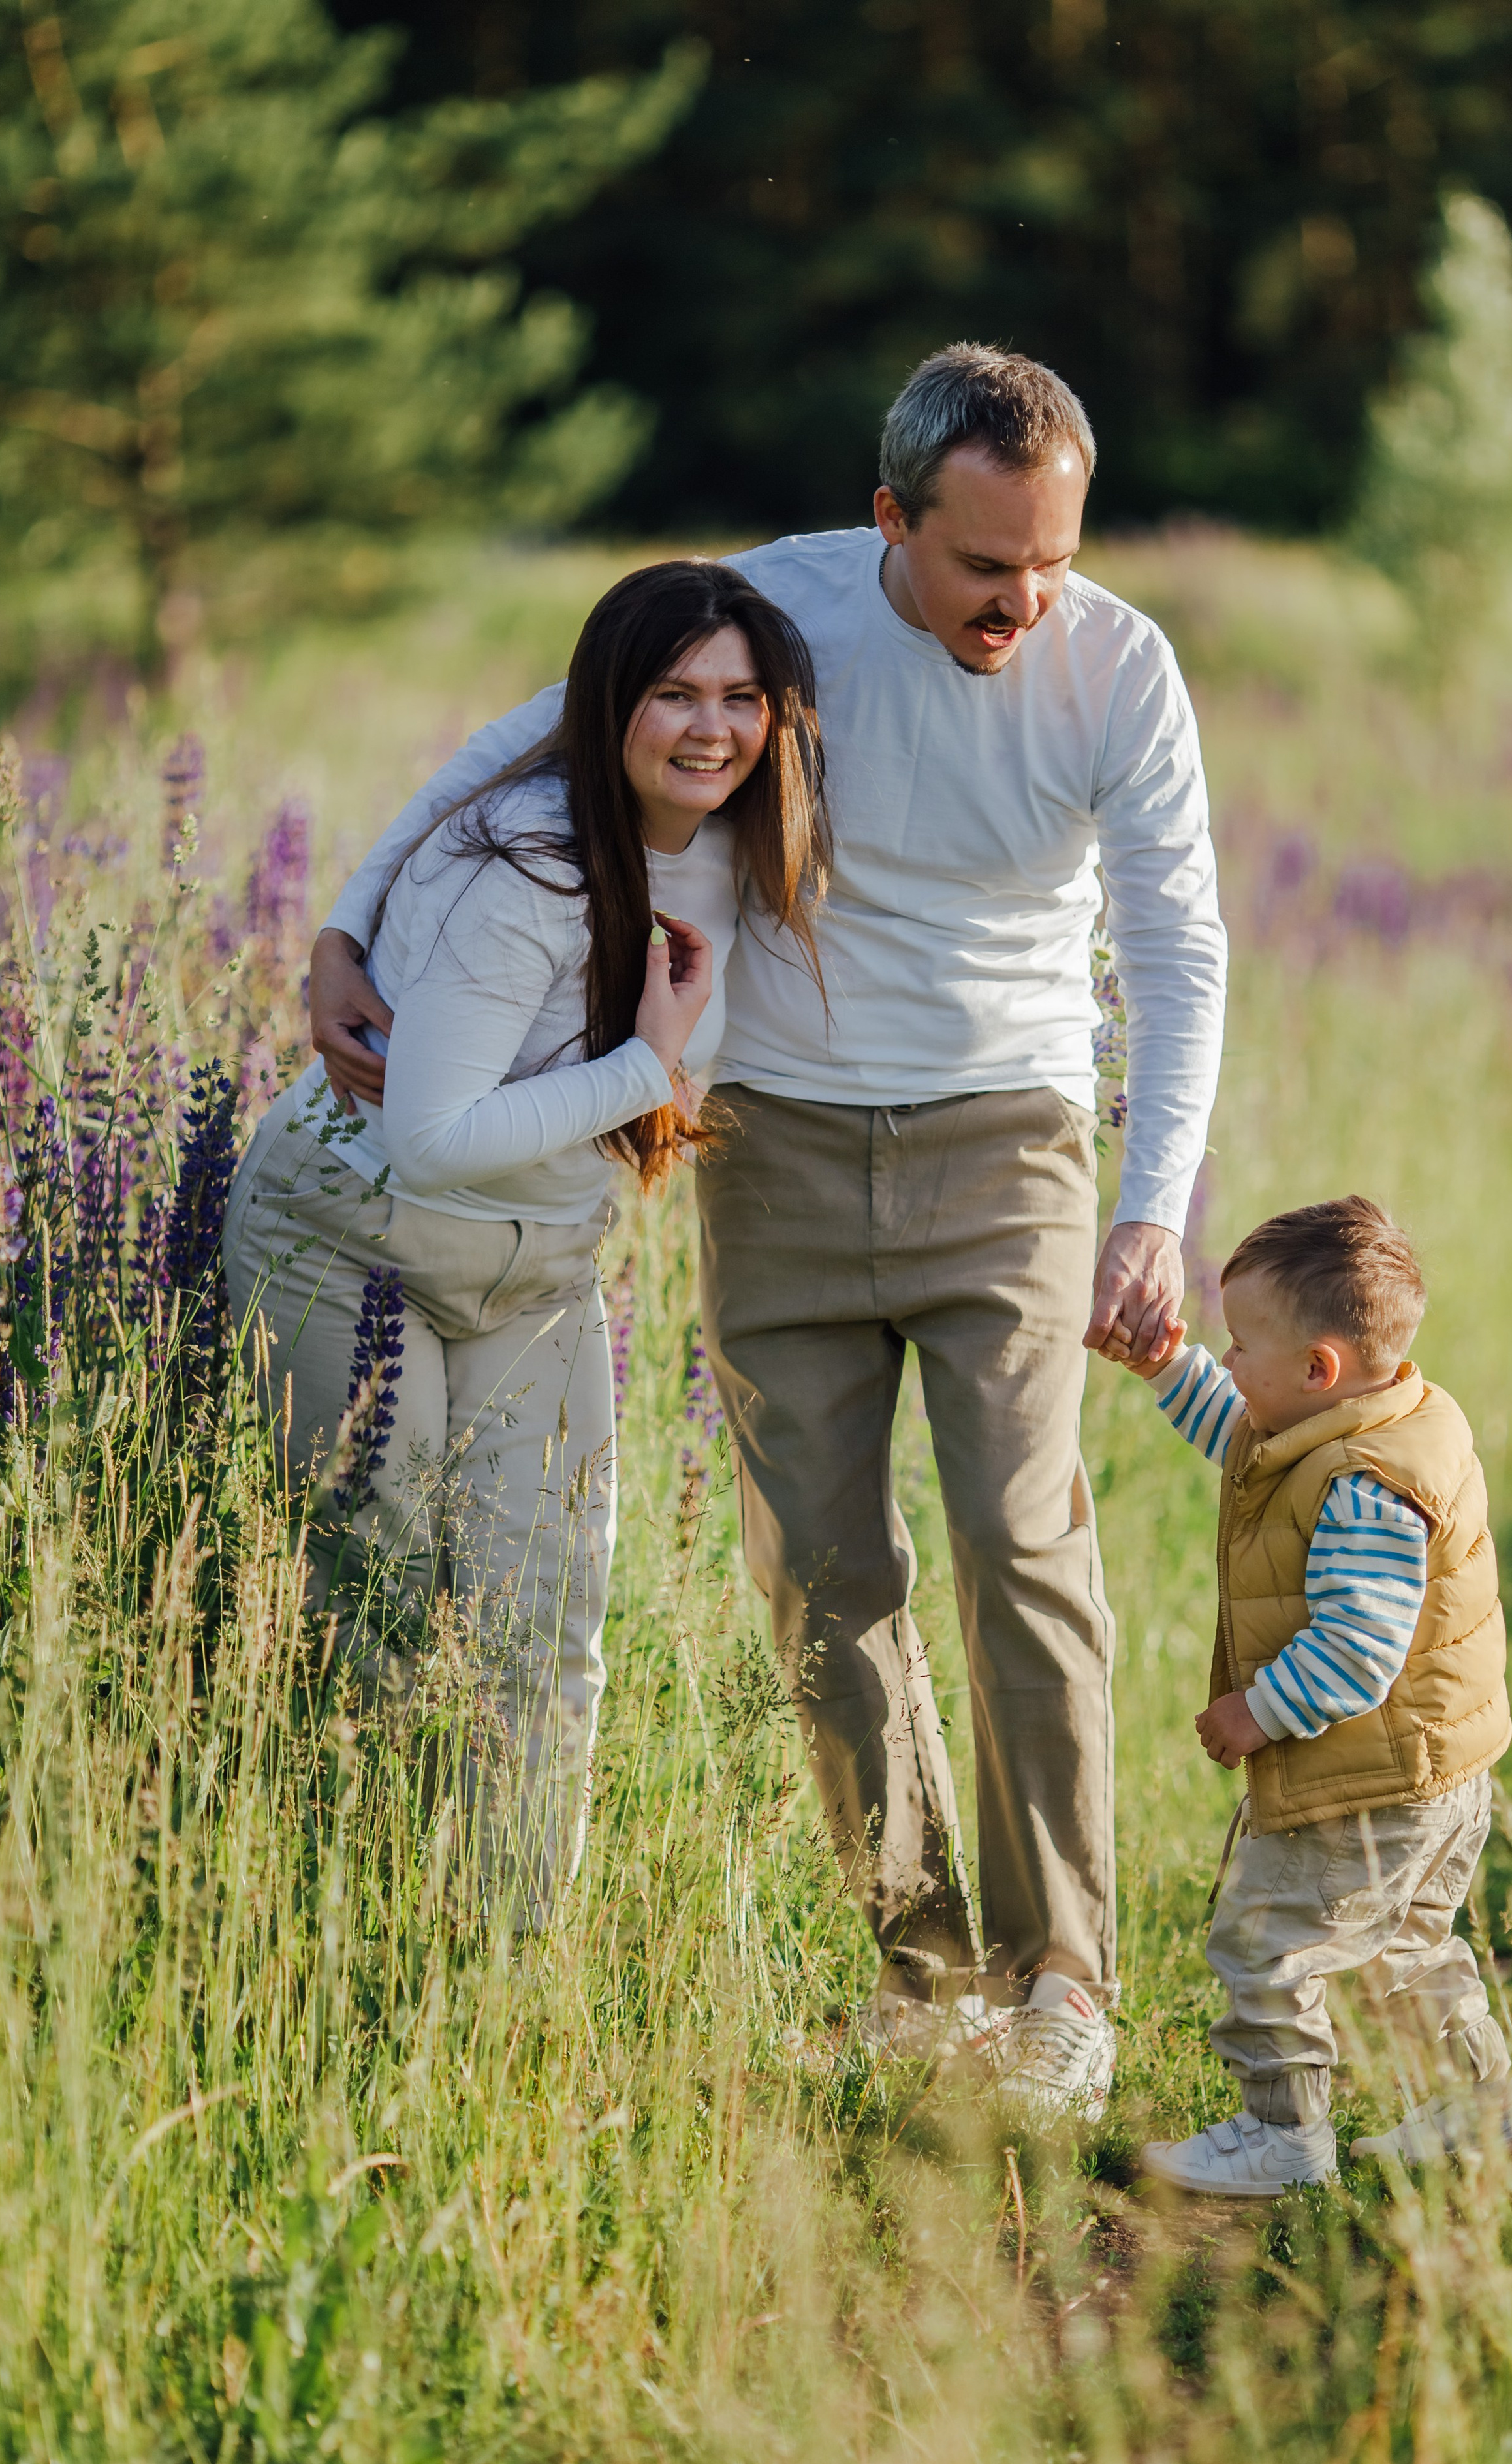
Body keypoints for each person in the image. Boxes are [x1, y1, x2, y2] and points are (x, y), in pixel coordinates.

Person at [309, 345, 1228, 2121]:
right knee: (821, 1576)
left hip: (1011, 1144)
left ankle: (1066, 1985)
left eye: (1055, 558)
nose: (1026, 601)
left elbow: (1181, 947)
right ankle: (924, 1977)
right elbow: (534, 731)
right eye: (985, 567)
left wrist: (1151, 1207)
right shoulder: (782, 610)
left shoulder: (1120, 667)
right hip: (777, 1147)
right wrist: (346, 924)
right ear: (891, 519)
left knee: (1020, 1545)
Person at [225, 559, 828, 1917]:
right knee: (377, 1604)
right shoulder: (529, 864)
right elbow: (431, 1134)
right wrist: (649, 1067)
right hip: (349, 1239)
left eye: (740, 699)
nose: (710, 729)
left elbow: (498, 736)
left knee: (543, 1624)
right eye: (672, 694)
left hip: (535, 1267)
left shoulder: (742, 836)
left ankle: (505, 1959)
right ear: (609, 703)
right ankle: (356, 1939)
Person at [1113, 1197, 1512, 2192]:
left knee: (1265, 1938)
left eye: (1238, 1346)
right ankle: (1483, 2107)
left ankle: (1282, 2135)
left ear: (1319, 1370)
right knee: (1403, 1951)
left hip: (1371, 1782)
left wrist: (1252, 1712)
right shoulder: (1374, 1420)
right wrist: (1163, 1367)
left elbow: (1357, 1649)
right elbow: (1248, 1433)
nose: (1227, 1364)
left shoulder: (1363, 1483)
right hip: (1435, 1769)